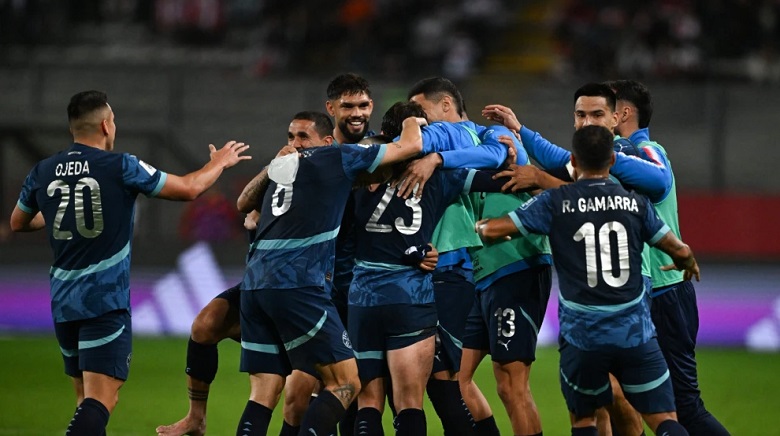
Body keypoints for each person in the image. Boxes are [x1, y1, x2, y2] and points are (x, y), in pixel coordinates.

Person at [9, 90, 250, 435]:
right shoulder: (121, 166)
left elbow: (18, 222)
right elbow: (189, 188)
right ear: (106, 126)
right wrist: (220, 163)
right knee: (102, 399)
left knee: (85, 399)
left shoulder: (43, 170)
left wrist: (65, 210)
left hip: (63, 300)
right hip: (103, 300)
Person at [475, 125, 698, 436]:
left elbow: (493, 230)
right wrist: (687, 262)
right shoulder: (635, 203)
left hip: (583, 337)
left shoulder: (555, 202)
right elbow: (680, 249)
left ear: (573, 162)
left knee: (584, 421)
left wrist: (480, 226)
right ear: (612, 161)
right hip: (634, 333)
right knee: (664, 419)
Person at [236, 110, 426, 435]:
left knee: (265, 391)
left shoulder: (285, 169)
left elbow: (243, 203)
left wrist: (272, 166)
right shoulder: (336, 156)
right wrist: (411, 121)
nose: (296, 143)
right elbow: (411, 146)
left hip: (254, 285)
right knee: (346, 381)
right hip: (297, 286)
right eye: (291, 136)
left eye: (302, 136)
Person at [402, 76, 549, 436]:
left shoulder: (493, 135)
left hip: (515, 265)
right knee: (457, 379)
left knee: (511, 384)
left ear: (446, 105)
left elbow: (496, 155)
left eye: (422, 110)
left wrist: (437, 158)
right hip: (478, 274)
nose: (419, 120)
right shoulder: (448, 152)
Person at [606, 79, 730, 436]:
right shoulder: (621, 156)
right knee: (619, 396)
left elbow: (659, 180)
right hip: (643, 294)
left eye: (604, 110)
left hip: (665, 291)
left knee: (683, 407)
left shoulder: (647, 150)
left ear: (623, 113)